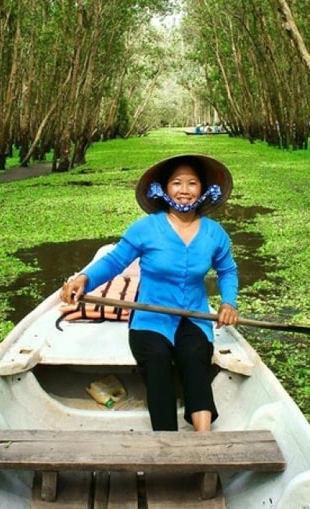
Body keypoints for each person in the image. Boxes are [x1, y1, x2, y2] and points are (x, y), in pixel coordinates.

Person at [60, 154, 239, 432]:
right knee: (157, 360)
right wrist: (84, 279)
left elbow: (228, 271)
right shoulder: (146, 228)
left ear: (202, 190)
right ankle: (165, 437)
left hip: (194, 317)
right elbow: (114, 262)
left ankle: (204, 438)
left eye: (192, 183)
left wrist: (228, 303)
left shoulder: (215, 234)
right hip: (149, 318)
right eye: (176, 183)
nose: (184, 190)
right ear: (164, 189)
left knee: (195, 355)